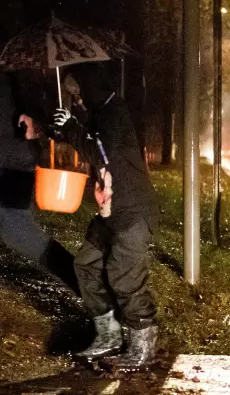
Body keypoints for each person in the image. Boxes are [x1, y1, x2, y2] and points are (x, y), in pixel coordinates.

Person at [49, 62, 159, 372]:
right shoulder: (101, 114)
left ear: (92, 88)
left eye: (79, 95)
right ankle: (108, 335)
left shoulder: (115, 115)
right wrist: (56, 127)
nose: (78, 101)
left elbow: (102, 153)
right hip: (110, 210)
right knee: (86, 265)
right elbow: (88, 138)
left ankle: (143, 344)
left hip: (132, 212)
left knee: (124, 277)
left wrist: (72, 127)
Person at [0, 70, 80, 295]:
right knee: (17, 232)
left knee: (19, 232)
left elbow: (47, 116)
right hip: (16, 162)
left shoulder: (18, 75)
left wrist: (38, 125)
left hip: (12, 165)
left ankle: (89, 285)